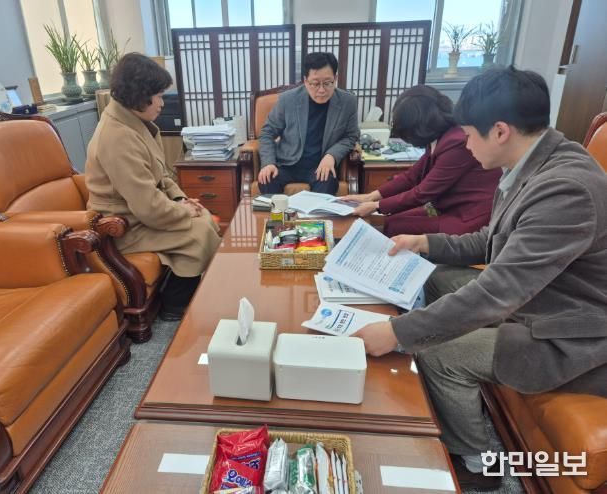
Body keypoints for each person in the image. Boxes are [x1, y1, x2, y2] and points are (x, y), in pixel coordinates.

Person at [354, 67, 607, 490]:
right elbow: (491, 241)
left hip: (573, 337)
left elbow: (497, 292)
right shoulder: (531, 164)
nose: (466, 144)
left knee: (439, 353)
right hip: (538, 303)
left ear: (501, 131)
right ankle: (452, 400)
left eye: (470, 135)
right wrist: (424, 243)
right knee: (435, 277)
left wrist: (397, 332)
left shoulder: (567, 189)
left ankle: (479, 465)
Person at [85, 53, 221, 320]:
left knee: (203, 217)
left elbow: (162, 176)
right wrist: (183, 212)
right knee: (199, 231)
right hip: (123, 225)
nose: (162, 103)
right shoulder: (117, 137)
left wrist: (181, 201)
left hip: (139, 213)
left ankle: (181, 289)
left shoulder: (135, 124)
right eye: (158, 95)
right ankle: (174, 303)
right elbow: (147, 205)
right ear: (139, 95)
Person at [341, 85, 501, 236]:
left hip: (467, 215)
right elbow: (411, 177)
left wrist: (376, 206)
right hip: (447, 206)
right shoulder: (440, 136)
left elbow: (423, 193)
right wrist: (370, 196)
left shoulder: (455, 143)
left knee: (396, 225)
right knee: (392, 221)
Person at [258, 52, 360, 195]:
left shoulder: (347, 102)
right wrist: (268, 163)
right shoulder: (288, 100)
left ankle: (314, 212)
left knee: (328, 183)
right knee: (267, 179)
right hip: (287, 164)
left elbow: (351, 136)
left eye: (328, 83)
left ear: (335, 79)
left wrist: (331, 155)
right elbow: (267, 133)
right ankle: (278, 211)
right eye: (315, 84)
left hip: (320, 166)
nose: (322, 90)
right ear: (305, 81)